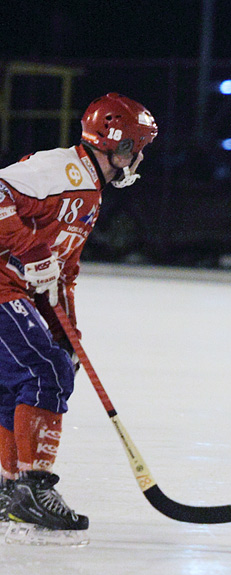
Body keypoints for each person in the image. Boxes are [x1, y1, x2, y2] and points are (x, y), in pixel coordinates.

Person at [0, 93, 157, 538]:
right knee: (44, 369)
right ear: (119, 145)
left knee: (29, 371)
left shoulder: (89, 189)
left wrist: (68, 331)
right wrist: (29, 249)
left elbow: (62, 270)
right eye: (138, 145)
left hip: (12, 289)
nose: (141, 155)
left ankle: (12, 491)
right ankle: (33, 488)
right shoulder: (62, 170)